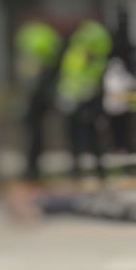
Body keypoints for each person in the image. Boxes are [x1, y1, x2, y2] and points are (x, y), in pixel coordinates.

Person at [5, 182, 136, 230]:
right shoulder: (40, 204)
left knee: (127, 206)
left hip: (87, 198)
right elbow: (29, 217)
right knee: (122, 210)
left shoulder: (43, 193)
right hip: (83, 206)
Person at [56, 20, 111, 179]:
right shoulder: (75, 56)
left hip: (88, 102)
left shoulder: (94, 61)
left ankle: (98, 171)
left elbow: (95, 82)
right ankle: (77, 170)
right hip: (74, 101)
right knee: (75, 137)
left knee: (92, 137)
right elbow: (68, 78)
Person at [14, 21, 63, 180]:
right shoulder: (47, 61)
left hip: (36, 102)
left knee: (33, 134)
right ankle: (33, 167)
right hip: (40, 102)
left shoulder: (35, 64)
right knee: (36, 134)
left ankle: (32, 168)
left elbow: (29, 85)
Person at [102, 57, 135, 153]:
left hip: (123, 108)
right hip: (111, 108)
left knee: (123, 130)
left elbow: (132, 86)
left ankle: (123, 147)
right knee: (112, 130)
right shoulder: (107, 77)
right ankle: (114, 147)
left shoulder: (126, 77)